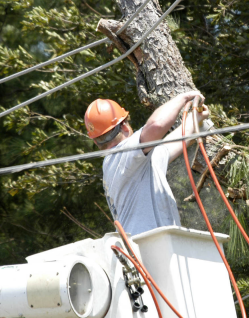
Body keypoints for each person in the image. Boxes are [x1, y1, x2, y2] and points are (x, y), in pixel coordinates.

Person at [84, 91, 211, 235]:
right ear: (124, 125)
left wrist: (197, 119)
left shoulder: (131, 162)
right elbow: (157, 125)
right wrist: (184, 97)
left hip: (150, 246)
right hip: (145, 247)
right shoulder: (123, 154)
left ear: (95, 141)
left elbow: (170, 146)